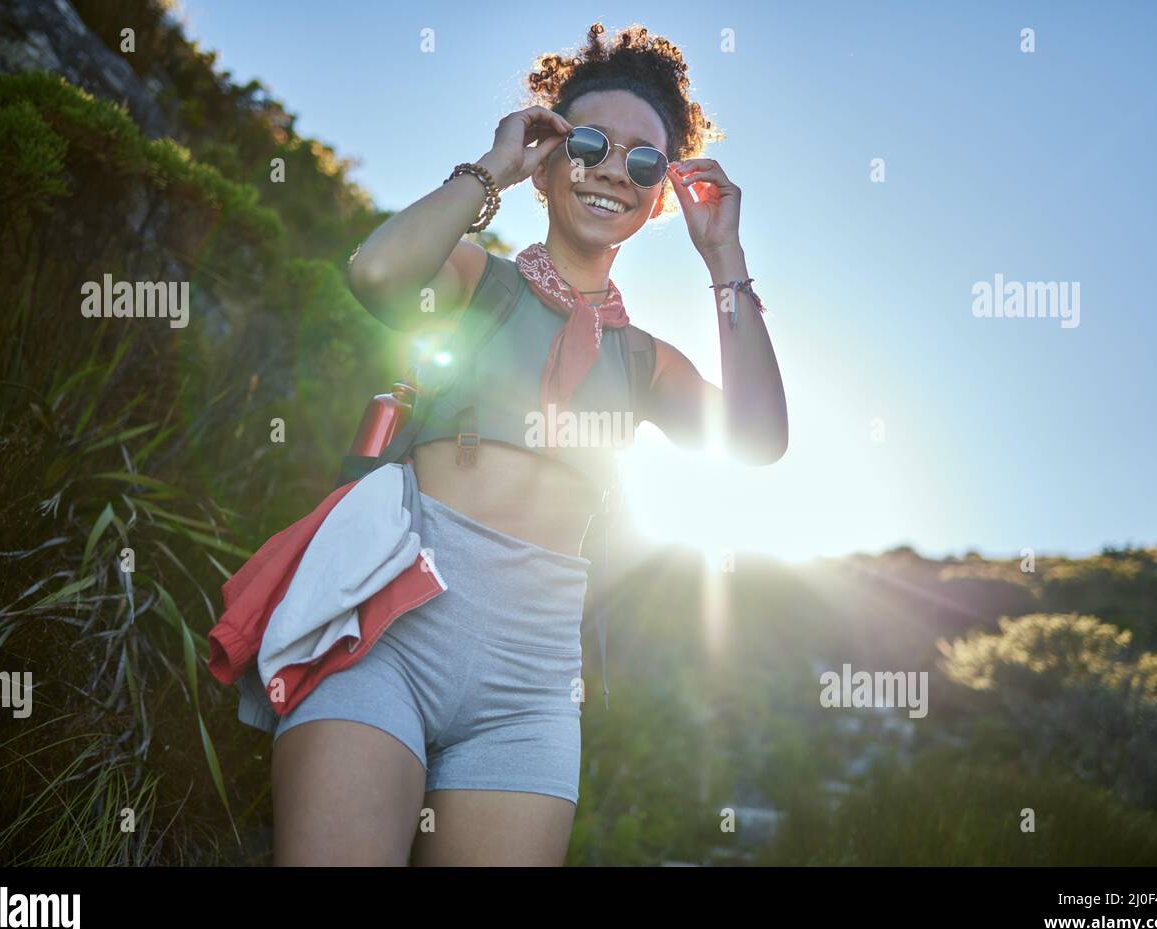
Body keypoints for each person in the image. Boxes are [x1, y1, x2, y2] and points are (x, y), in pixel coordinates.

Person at [271, 22, 787, 866]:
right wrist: (488, 170)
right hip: (388, 634)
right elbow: (375, 275)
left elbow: (759, 441)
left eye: (644, 161)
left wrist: (724, 256)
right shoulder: (478, 280)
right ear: (547, 159)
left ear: (661, 196)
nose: (615, 168)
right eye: (588, 142)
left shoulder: (645, 361)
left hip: (532, 685)